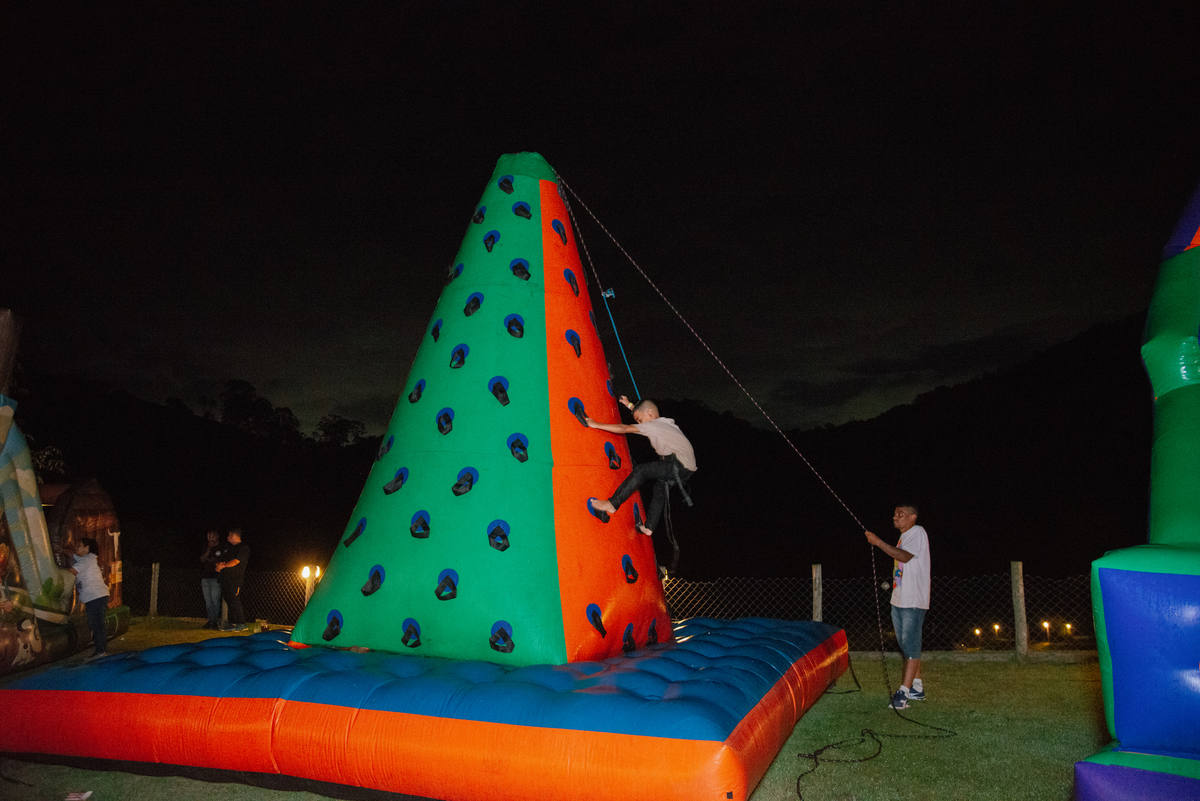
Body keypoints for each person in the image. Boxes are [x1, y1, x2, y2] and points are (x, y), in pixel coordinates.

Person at [585, 396, 697, 537]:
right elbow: (643, 411)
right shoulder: (665, 423)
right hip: (687, 469)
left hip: (678, 464)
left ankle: (612, 504)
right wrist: (629, 405)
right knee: (660, 489)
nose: (639, 423)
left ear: (650, 413)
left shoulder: (654, 425)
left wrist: (596, 424)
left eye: (639, 420)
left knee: (641, 470)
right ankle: (649, 528)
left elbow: (624, 428)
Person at [865, 505, 930, 710]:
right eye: (894, 514)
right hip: (899, 599)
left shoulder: (917, 532)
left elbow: (903, 556)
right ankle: (917, 688)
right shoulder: (904, 536)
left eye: (900, 515)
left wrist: (877, 542)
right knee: (905, 644)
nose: (895, 517)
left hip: (913, 600)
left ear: (913, 517)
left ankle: (903, 694)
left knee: (910, 645)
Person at [66, 537, 110, 660]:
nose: (76, 548)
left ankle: (101, 652)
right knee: (95, 623)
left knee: (96, 624)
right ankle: (100, 651)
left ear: (87, 548)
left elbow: (72, 571)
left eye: (79, 545)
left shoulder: (87, 559)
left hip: (96, 596)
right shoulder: (86, 559)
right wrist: (63, 551)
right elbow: (73, 555)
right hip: (95, 596)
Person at [215, 529, 249, 632]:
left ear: (234, 535)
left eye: (229, 535)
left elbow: (236, 561)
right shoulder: (229, 548)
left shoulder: (243, 548)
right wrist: (218, 565)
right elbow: (220, 559)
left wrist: (223, 565)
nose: (227, 537)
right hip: (225, 578)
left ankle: (242, 623)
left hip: (235, 579)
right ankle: (232, 623)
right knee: (228, 600)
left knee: (235, 600)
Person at [200, 530, 222, 629]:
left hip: (216, 577)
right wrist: (209, 548)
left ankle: (214, 622)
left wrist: (215, 562)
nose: (211, 538)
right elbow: (202, 559)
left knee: (215, 599)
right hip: (205, 577)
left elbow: (222, 561)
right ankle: (211, 621)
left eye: (213, 536)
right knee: (208, 601)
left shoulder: (221, 547)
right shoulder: (206, 547)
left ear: (217, 536)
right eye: (209, 536)